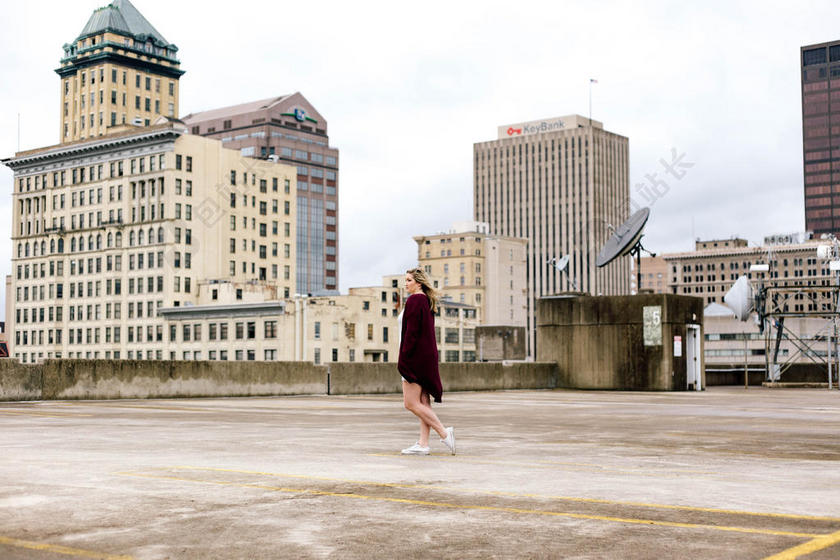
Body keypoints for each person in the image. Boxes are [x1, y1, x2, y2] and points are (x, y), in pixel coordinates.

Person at [397, 268, 456, 456]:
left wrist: (404, 359)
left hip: (414, 358)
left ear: (419, 282)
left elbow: (412, 334)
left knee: (410, 403)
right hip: (425, 357)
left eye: (408, 280)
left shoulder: (415, 300)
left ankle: (444, 433)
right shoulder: (425, 300)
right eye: (405, 280)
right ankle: (423, 444)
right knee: (423, 401)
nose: (405, 283)